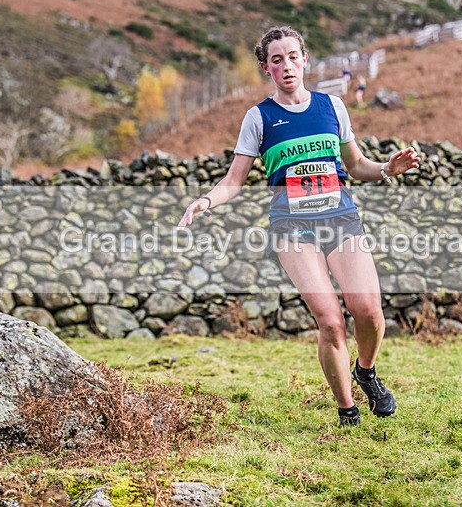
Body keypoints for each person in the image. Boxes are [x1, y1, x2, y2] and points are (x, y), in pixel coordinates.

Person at [178, 26, 420, 427]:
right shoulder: (259, 118)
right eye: (277, 59)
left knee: (369, 313)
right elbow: (233, 181)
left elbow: (357, 166)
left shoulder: (332, 107)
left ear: (305, 59)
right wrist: (206, 201)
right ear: (265, 68)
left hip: (340, 219)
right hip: (292, 228)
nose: (286, 65)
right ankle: (347, 410)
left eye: (293, 56)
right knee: (329, 319)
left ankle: (366, 372)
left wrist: (387, 169)